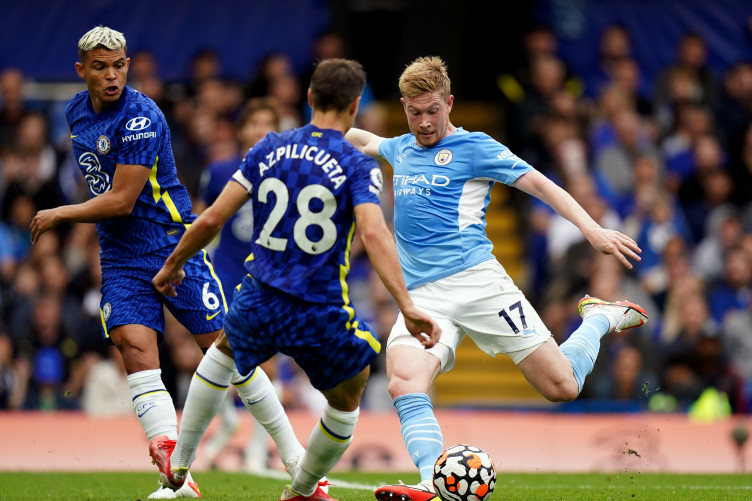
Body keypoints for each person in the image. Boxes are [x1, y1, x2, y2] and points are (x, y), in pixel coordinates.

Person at [344, 56, 650, 501]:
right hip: (424, 296)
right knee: (404, 381)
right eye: (414, 112)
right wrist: (319, 133)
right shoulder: (400, 147)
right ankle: (432, 481)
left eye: (433, 110)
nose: (424, 122)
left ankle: (598, 319)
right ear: (404, 107)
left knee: (561, 386)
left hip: (480, 283)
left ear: (449, 103)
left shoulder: (476, 148)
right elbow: (360, 137)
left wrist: (592, 229)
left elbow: (543, 185)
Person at [29, 26, 305, 499]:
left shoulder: (140, 116)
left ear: (128, 65)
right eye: (100, 67)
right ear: (82, 71)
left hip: (173, 245)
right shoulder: (76, 113)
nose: (112, 76)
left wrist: (60, 212)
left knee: (229, 354)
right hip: (119, 256)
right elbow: (103, 189)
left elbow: (120, 199)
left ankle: (300, 465)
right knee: (135, 350)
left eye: (118, 65)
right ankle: (176, 480)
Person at [150, 58, 440, 501]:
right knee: (350, 392)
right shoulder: (356, 163)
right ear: (354, 106)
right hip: (317, 305)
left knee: (223, 352)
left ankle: (181, 465)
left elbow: (211, 219)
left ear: (308, 99)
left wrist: (173, 264)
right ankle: (302, 488)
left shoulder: (267, 148)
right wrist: (407, 305)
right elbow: (374, 233)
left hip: (260, 293)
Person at [195, 97, 285, 471]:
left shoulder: (291, 173)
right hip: (225, 273)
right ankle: (229, 421)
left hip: (270, 278)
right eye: (253, 123)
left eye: (267, 124)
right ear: (241, 130)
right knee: (218, 354)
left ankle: (254, 453)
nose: (259, 130)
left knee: (269, 366)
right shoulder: (219, 171)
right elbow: (200, 219)